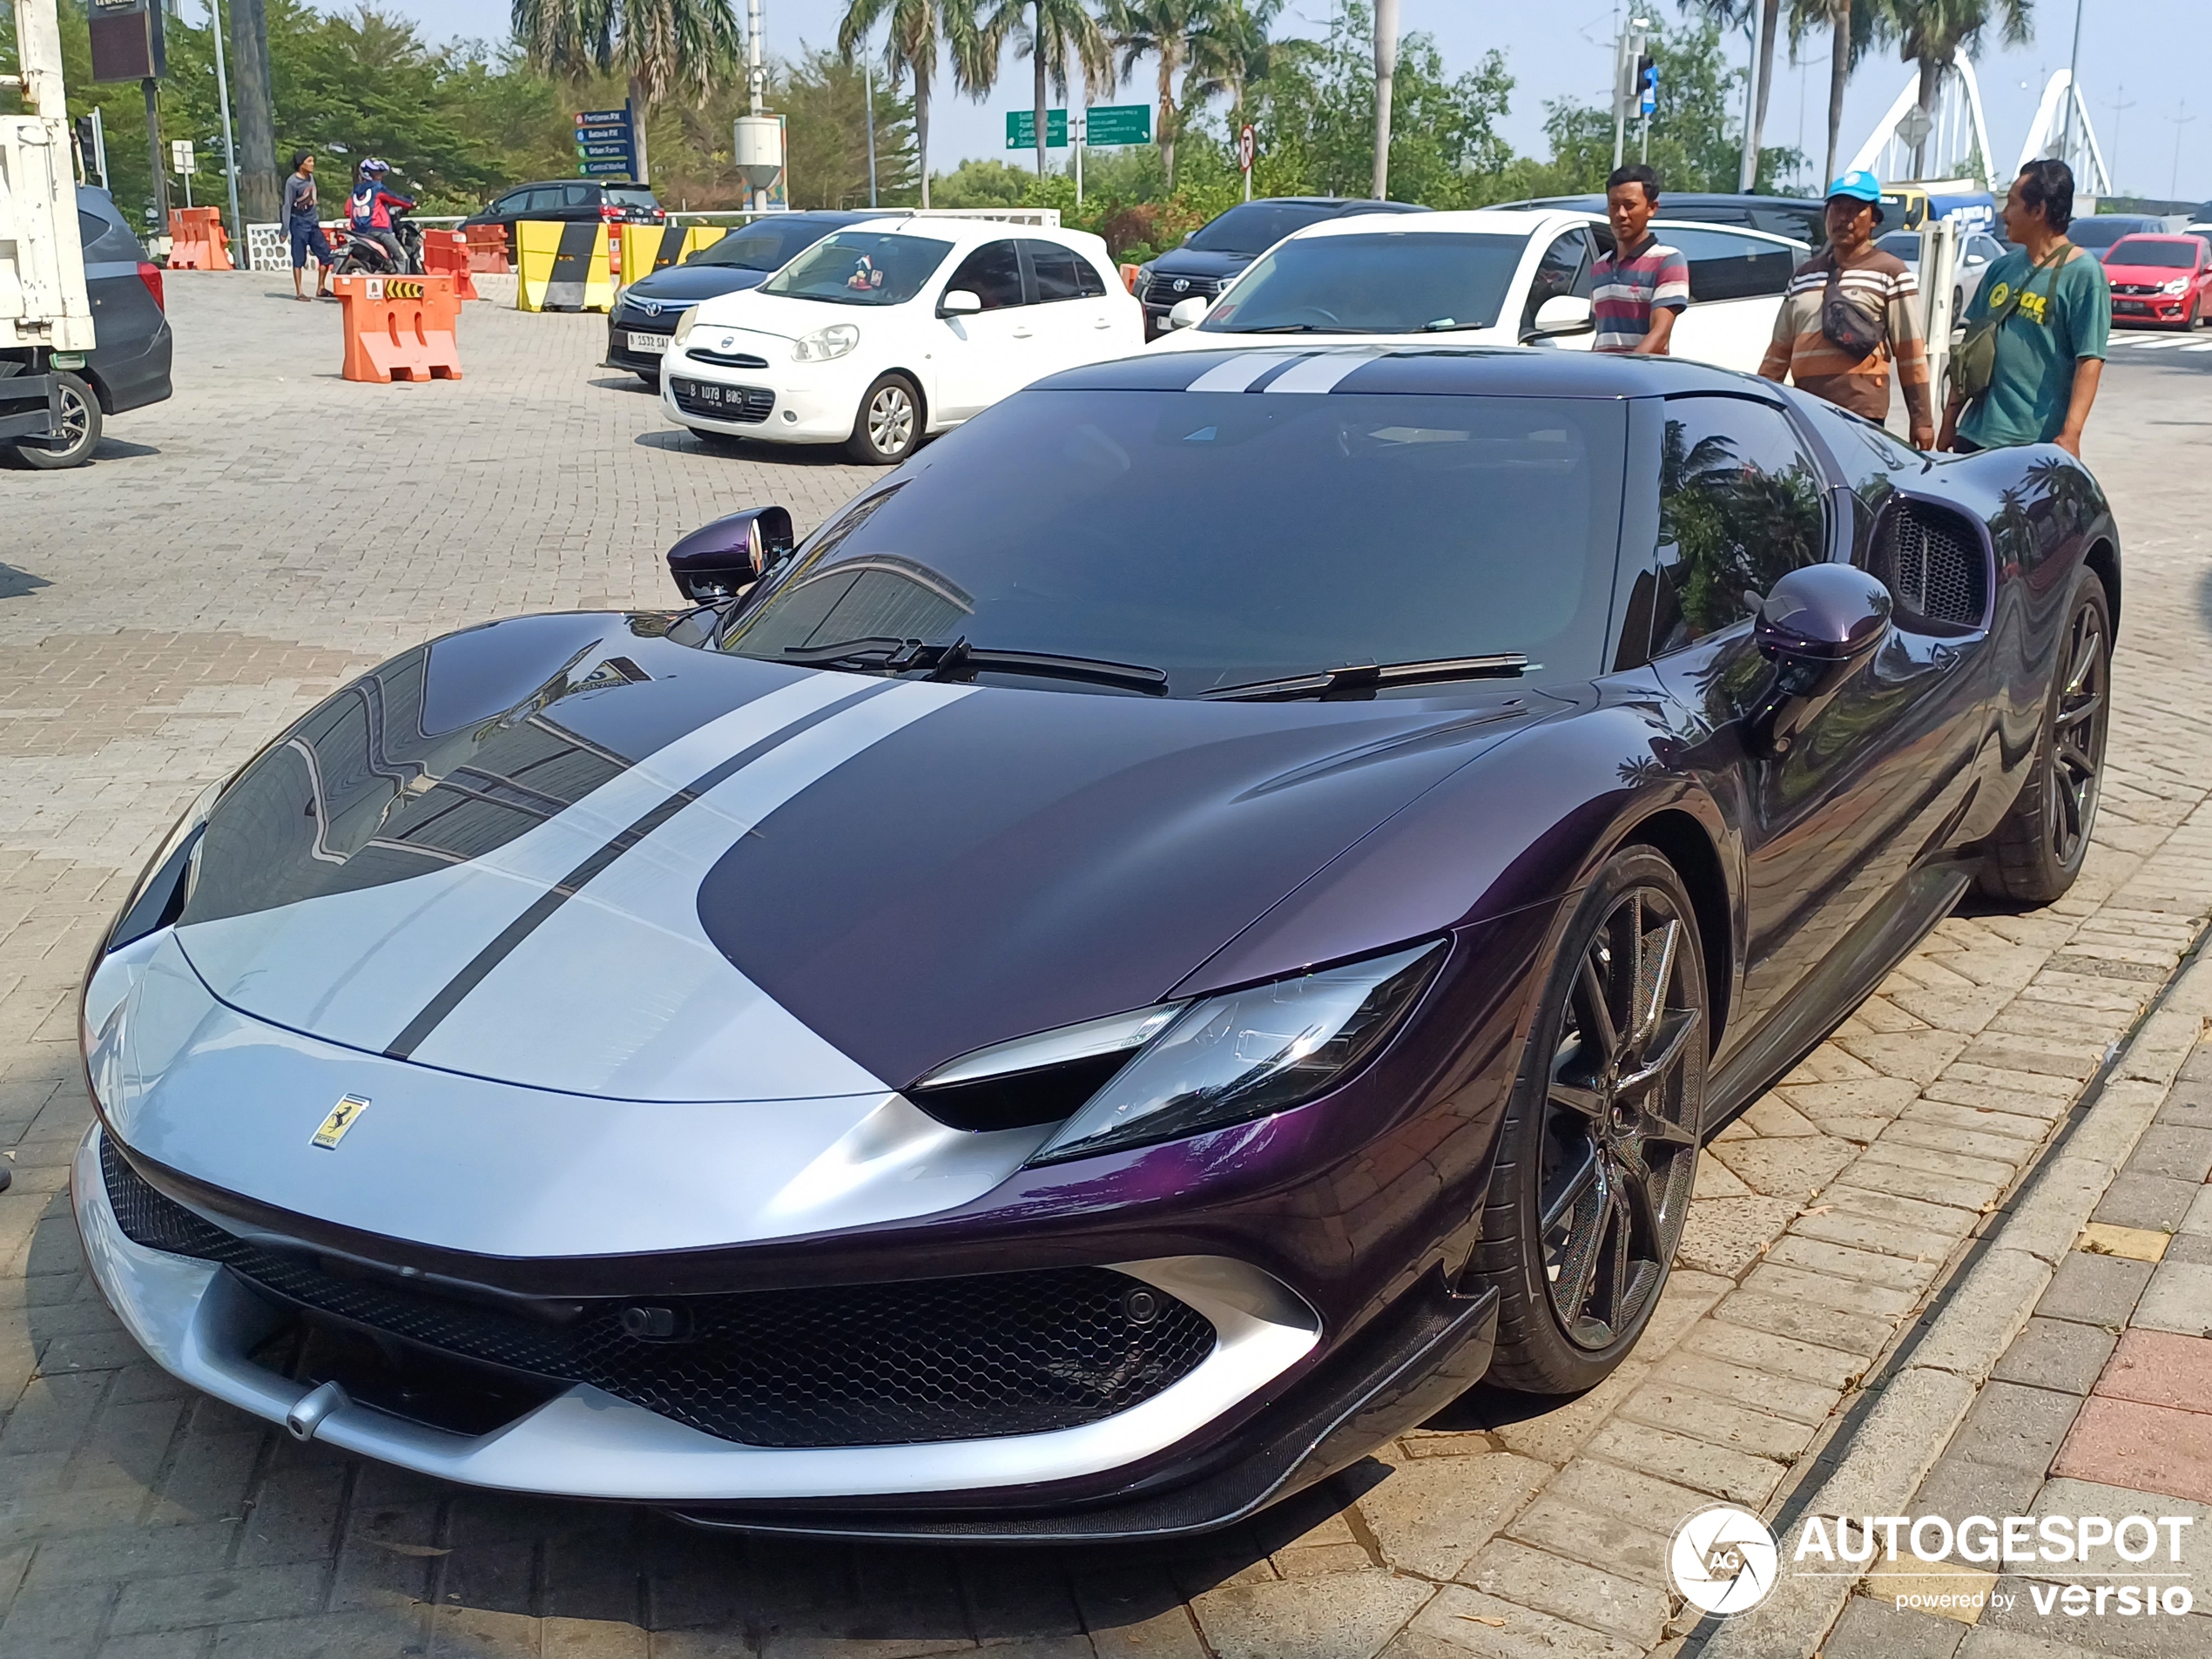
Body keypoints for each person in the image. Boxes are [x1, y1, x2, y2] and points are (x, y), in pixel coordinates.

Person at [1940, 158, 2109, 458]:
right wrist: (1949, 423)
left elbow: (2090, 361)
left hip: (2032, 444)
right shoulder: (2001, 269)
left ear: (2038, 210)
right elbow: (1969, 349)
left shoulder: (2084, 274)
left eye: (2012, 203)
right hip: (1975, 436)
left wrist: (2071, 434)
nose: (2004, 214)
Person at [1758, 172, 1933, 448]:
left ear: (1874, 218)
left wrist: (1922, 421)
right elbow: (1778, 352)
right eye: (1837, 209)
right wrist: (1760, 408)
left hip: (1862, 414)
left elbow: (1911, 353)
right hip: (1807, 410)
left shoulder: (1892, 272)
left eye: (1854, 210)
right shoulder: (1803, 276)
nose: (1844, 219)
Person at [1590, 164, 1689, 354]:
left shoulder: (1668, 261)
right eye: (1614, 206)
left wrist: (1626, 374)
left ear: (1652, 208)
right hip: (1605, 379)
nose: (1620, 214)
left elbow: (1660, 335)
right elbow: (1602, 336)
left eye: (1630, 206)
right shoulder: (1599, 267)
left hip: (1642, 378)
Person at [347, 158, 415, 272]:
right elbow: (396, 198)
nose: (380, 176)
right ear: (369, 174)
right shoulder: (377, 188)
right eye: (377, 174)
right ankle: (401, 280)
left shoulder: (355, 191)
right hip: (378, 231)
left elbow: (347, 210)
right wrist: (410, 202)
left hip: (357, 232)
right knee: (402, 257)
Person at [281, 152, 334, 300]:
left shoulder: (311, 178)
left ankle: (321, 287)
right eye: (309, 161)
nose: (312, 164)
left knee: (326, 255)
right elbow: (287, 205)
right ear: (301, 164)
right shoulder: (292, 182)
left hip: (313, 224)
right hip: (298, 223)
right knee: (298, 258)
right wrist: (284, 229)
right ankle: (299, 291)